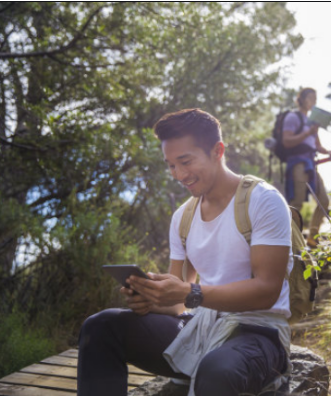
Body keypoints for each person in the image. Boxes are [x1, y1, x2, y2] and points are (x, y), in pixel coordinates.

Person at [77, 109, 293, 396]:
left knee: (217, 371)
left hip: (257, 333)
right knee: (101, 327)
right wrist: (150, 298)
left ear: (217, 151)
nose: (179, 174)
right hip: (199, 328)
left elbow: (267, 290)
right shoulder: (183, 217)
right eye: (170, 166)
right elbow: (178, 304)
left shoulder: (263, 201)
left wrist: (192, 293)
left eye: (185, 161)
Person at [282, 88, 331, 247]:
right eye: (311, 98)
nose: (314, 101)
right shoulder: (293, 117)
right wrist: (308, 133)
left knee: (324, 201)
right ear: (303, 99)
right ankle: (289, 242)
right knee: (296, 203)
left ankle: (313, 238)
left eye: (316, 98)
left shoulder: (312, 122)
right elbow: (287, 141)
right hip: (298, 164)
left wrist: (328, 153)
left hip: (312, 165)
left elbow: (317, 145)